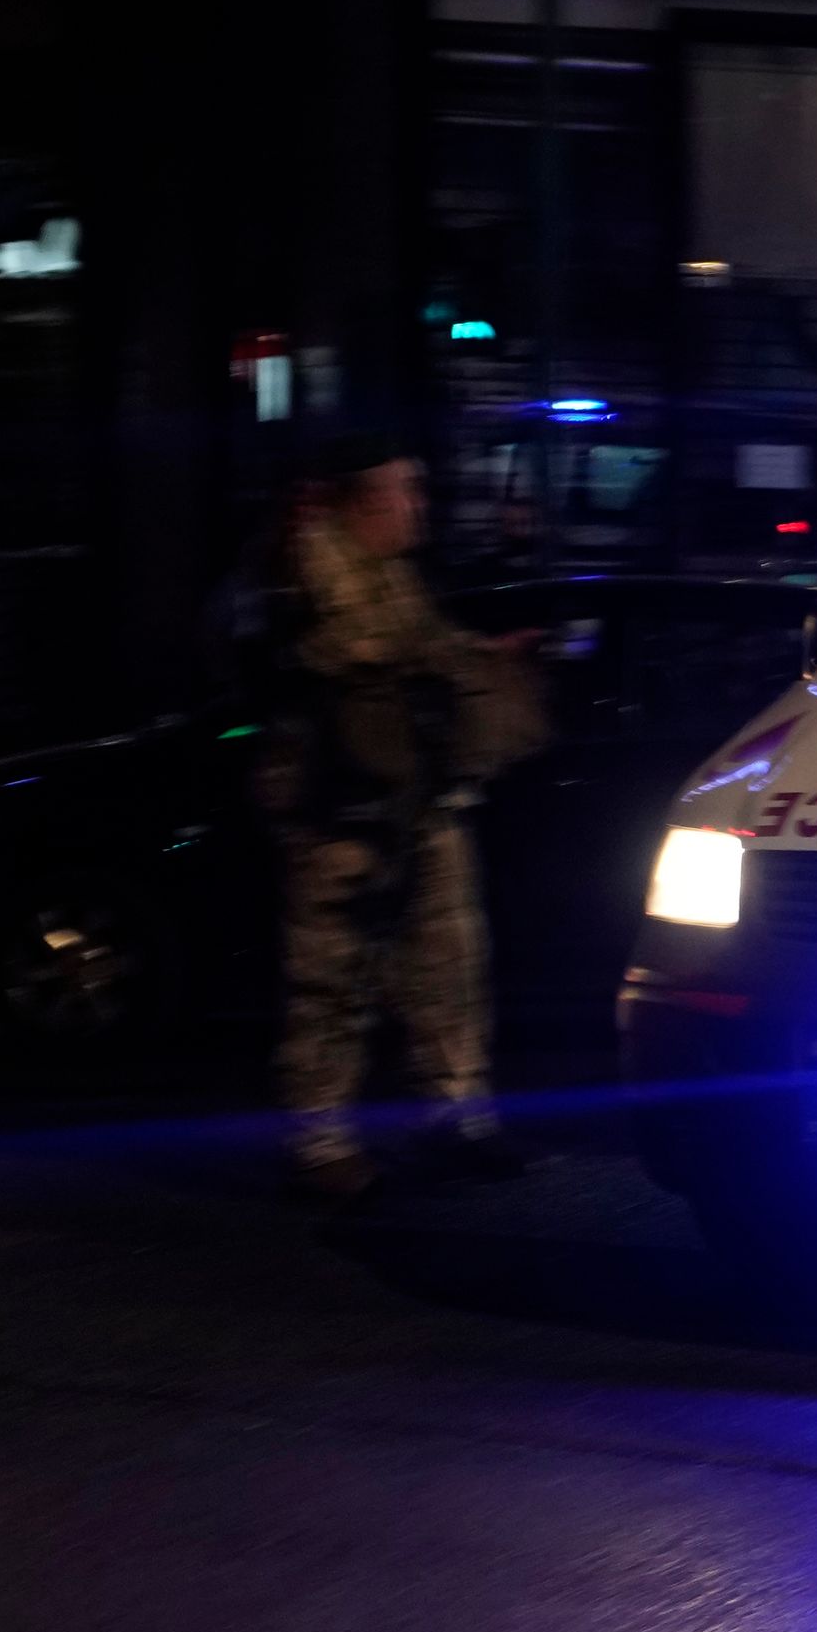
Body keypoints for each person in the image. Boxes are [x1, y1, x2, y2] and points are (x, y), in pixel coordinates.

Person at [271, 433, 530, 1204]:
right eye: (401, 493)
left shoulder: (395, 578)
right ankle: (320, 1145)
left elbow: (429, 651)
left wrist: (483, 659)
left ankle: (454, 1118)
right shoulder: (310, 574)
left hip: (416, 806)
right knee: (333, 982)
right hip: (344, 816)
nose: (417, 507)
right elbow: (348, 657)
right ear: (361, 503)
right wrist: (444, 664)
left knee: (448, 971)